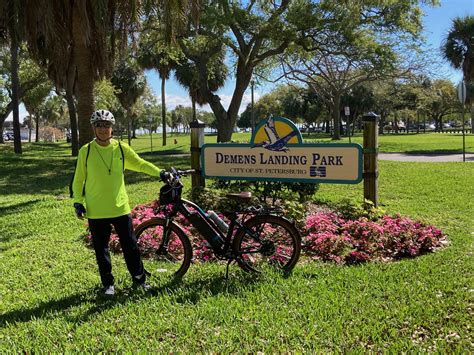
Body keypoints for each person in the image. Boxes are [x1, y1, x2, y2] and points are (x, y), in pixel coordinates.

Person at [72, 109, 161, 296]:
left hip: (120, 208)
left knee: (131, 246)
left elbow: (140, 164)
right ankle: (108, 285)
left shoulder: (121, 148)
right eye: (99, 125)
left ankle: (139, 279)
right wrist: (78, 201)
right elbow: (79, 179)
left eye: (107, 125)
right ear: (94, 128)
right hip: (96, 210)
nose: (103, 129)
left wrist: (160, 173)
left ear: (112, 127)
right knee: (101, 249)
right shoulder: (86, 151)